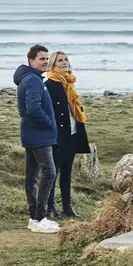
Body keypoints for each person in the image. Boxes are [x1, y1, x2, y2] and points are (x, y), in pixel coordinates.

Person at [14, 44, 60, 233]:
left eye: (46, 58)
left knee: (32, 175)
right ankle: (39, 216)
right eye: (41, 59)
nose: (45, 62)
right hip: (38, 133)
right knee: (49, 172)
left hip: (32, 132)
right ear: (31, 61)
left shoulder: (31, 78)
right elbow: (33, 109)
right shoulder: (33, 80)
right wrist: (49, 122)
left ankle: (35, 217)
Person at [42, 51, 90, 221]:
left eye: (66, 59)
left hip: (72, 132)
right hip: (57, 135)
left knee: (67, 172)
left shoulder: (69, 83)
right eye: (59, 60)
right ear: (52, 65)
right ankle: (50, 207)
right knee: (53, 172)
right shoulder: (49, 84)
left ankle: (67, 207)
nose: (64, 62)